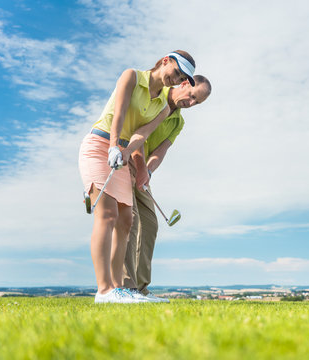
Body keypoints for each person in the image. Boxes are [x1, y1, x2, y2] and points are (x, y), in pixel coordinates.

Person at [78, 50, 197, 303]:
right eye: (176, 73)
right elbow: (118, 115)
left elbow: (140, 135)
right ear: (165, 60)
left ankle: (117, 288)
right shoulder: (131, 76)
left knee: (126, 221)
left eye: (181, 78)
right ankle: (103, 290)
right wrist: (112, 146)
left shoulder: (163, 108)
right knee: (107, 214)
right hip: (100, 144)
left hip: (121, 153)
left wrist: (125, 152)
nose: (175, 80)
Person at [123, 75, 212, 302]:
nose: (190, 103)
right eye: (192, 96)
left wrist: (148, 172)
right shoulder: (155, 98)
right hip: (125, 162)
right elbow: (138, 136)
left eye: (196, 103)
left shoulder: (178, 122)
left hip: (142, 172)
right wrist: (140, 166)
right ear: (184, 84)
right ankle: (126, 286)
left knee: (150, 224)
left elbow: (161, 151)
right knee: (129, 221)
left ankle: (141, 289)